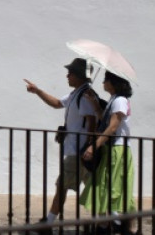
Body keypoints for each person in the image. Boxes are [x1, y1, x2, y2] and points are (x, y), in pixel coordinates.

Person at [24, 57, 101, 226]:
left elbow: (92, 122)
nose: (67, 76)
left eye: (71, 73)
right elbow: (58, 103)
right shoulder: (77, 93)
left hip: (79, 151)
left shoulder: (86, 96)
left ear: (80, 75)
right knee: (93, 187)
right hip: (78, 150)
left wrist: (89, 146)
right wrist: (38, 91)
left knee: (62, 185)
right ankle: (109, 221)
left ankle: (49, 222)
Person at [81, 71, 137, 235]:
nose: (103, 83)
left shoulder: (119, 101)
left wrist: (94, 146)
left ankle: (121, 225)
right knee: (104, 187)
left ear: (113, 83)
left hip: (117, 149)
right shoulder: (114, 100)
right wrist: (96, 105)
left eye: (106, 80)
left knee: (113, 188)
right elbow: (106, 121)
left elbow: (112, 127)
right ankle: (108, 225)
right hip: (111, 149)